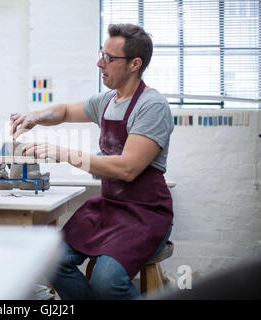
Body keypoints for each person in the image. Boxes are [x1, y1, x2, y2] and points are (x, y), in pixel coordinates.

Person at [10, 23, 174, 299]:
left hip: (144, 213)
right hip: (111, 207)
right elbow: (62, 111)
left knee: (106, 281)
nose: (100, 63)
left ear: (135, 64)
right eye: (102, 54)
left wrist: (64, 154)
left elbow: (127, 168)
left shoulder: (152, 106)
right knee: (50, 257)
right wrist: (35, 116)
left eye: (109, 58)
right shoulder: (108, 101)